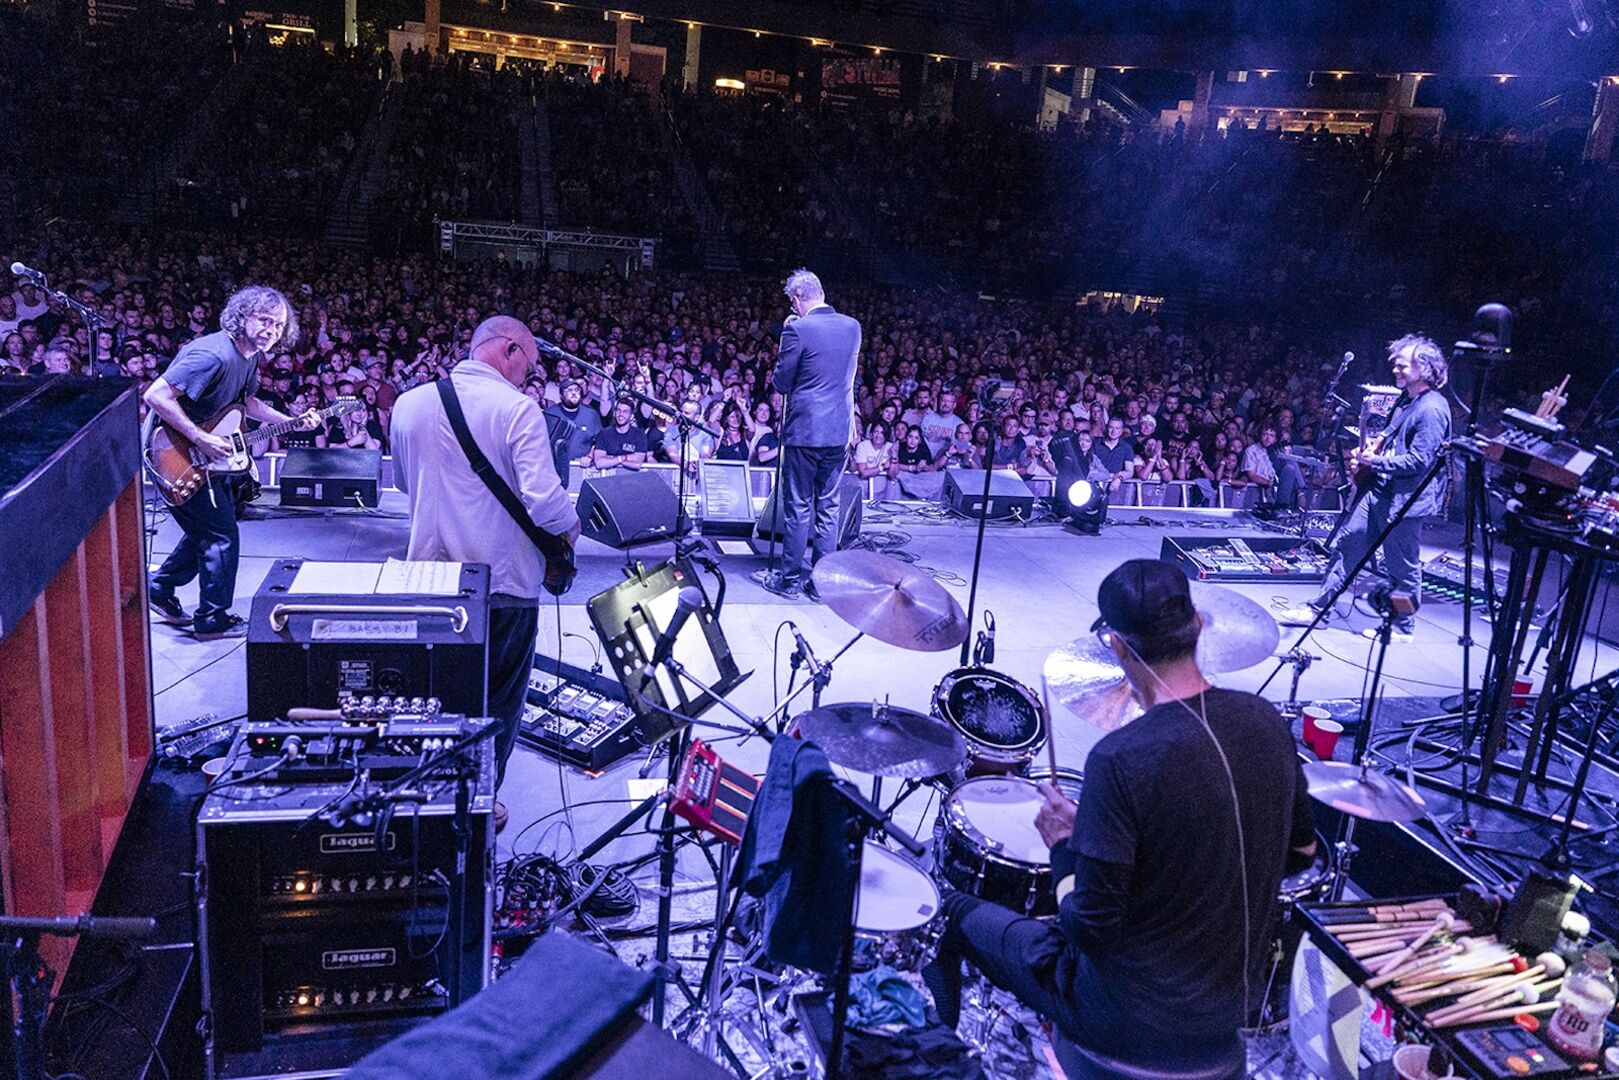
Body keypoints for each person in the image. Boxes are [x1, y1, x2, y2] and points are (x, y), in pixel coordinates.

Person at [924, 559, 1316, 1077]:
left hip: (1124, 1021)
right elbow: (1300, 855)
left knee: (949, 908)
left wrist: (1065, 843)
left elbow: (1088, 927)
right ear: (1199, 625)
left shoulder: (1122, 759)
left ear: (1116, 646)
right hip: (1227, 1009)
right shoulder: (1265, 721)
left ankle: (944, 1064)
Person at [390, 316, 580, 826]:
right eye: (530, 367)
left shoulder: (409, 403)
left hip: (429, 583)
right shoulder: (518, 410)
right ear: (510, 350)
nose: (529, 379)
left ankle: (429, 792)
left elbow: (406, 484)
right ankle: (477, 802)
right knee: (496, 702)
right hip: (504, 585)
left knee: (435, 695)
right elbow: (545, 505)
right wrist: (573, 526)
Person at [145, 286, 318, 638]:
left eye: (278, 324)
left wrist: (291, 421)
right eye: (264, 321)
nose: (272, 330)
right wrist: (200, 437)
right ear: (242, 317)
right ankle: (212, 619)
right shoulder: (212, 355)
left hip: (207, 454)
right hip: (175, 454)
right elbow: (156, 395)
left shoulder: (250, 355)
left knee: (207, 530)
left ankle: (159, 588)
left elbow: (248, 404)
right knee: (221, 535)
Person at [1277, 335, 1451, 641]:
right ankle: (1320, 610)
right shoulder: (1407, 399)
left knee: (1401, 566)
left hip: (1406, 501)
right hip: (1381, 491)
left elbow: (1420, 461)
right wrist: (1372, 449)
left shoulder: (1433, 409)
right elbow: (1390, 434)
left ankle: (1402, 625)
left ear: (1423, 368)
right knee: (1348, 546)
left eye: (1402, 364)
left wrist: (1376, 461)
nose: (1394, 368)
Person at [761, 269, 860, 602]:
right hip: (839, 431)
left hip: (806, 432)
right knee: (830, 507)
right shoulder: (852, 327)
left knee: (798, 506)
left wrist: (787, 335)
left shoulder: (797, 330)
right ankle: (821, 584)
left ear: (797, 298)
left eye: (793, 301)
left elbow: (781, 383)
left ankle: (789, 579)